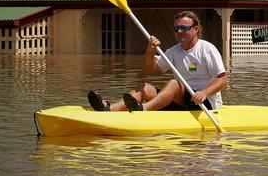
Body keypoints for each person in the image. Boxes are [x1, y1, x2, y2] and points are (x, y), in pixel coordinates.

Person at [88, 10, 228, 112]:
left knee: (174, 84)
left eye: (184, 28)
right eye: (177, 28)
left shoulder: (207, 49)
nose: (180, 31)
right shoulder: (174, 51)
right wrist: (151, 50)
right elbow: (151, 68)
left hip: (205, 104)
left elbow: (223, 80)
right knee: (146, 88)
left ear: (195, 29)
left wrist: (204, 93)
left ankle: (143, 109)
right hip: (183, 101)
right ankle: (109, 109)